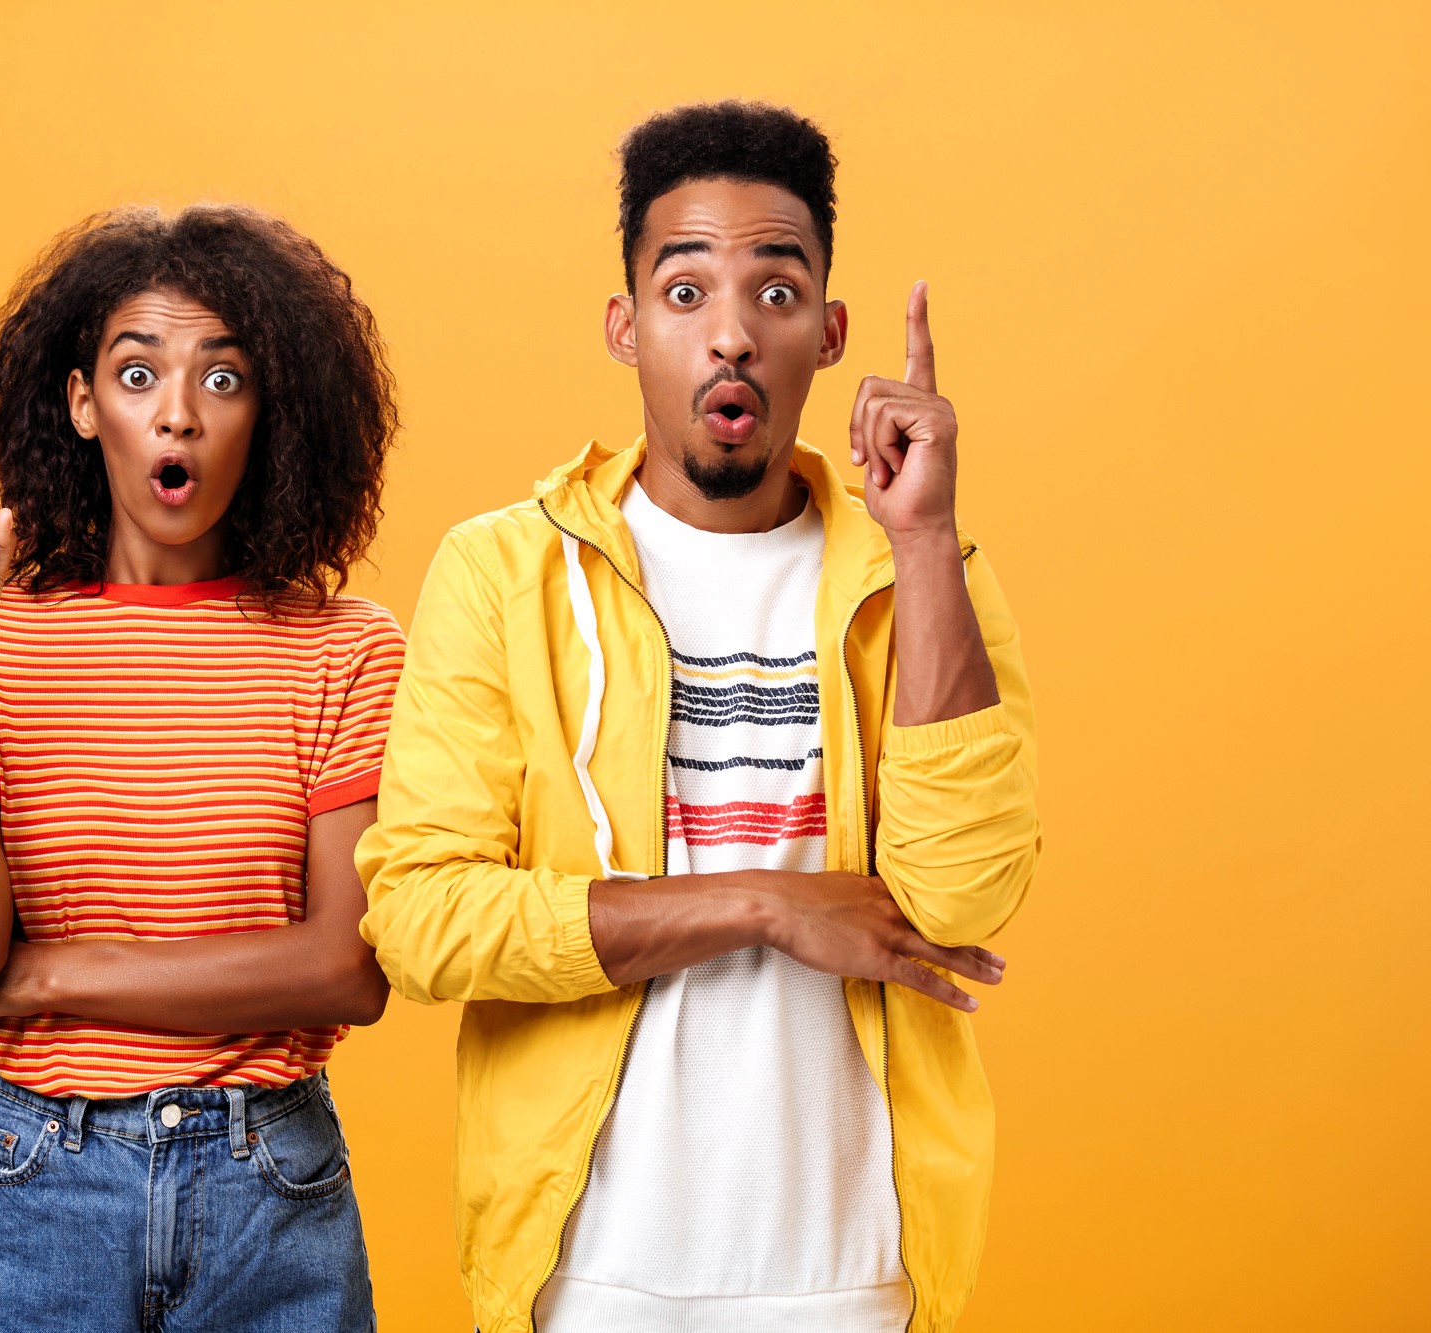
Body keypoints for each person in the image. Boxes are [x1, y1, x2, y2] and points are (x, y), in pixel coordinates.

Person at [356, 101, 1041, 1333]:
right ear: (624, 326)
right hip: (591, 1273)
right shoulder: (502, 574)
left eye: (773, 295)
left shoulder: (916, 572)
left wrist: (926, 537)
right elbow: (419, 917)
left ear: (827, 334)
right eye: (684, 294)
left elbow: (962, 900)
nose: (729, 335)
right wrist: (760, 904)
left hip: (856, 1272)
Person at [0, 204, 403, 1332]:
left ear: (269, 412)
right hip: (26, 1175)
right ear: (82, 404)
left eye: (223, 382)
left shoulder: (345, 647)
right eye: (136, 374)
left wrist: (45, 979)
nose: (177, 413)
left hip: (267, 1183)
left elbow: (342, 969)